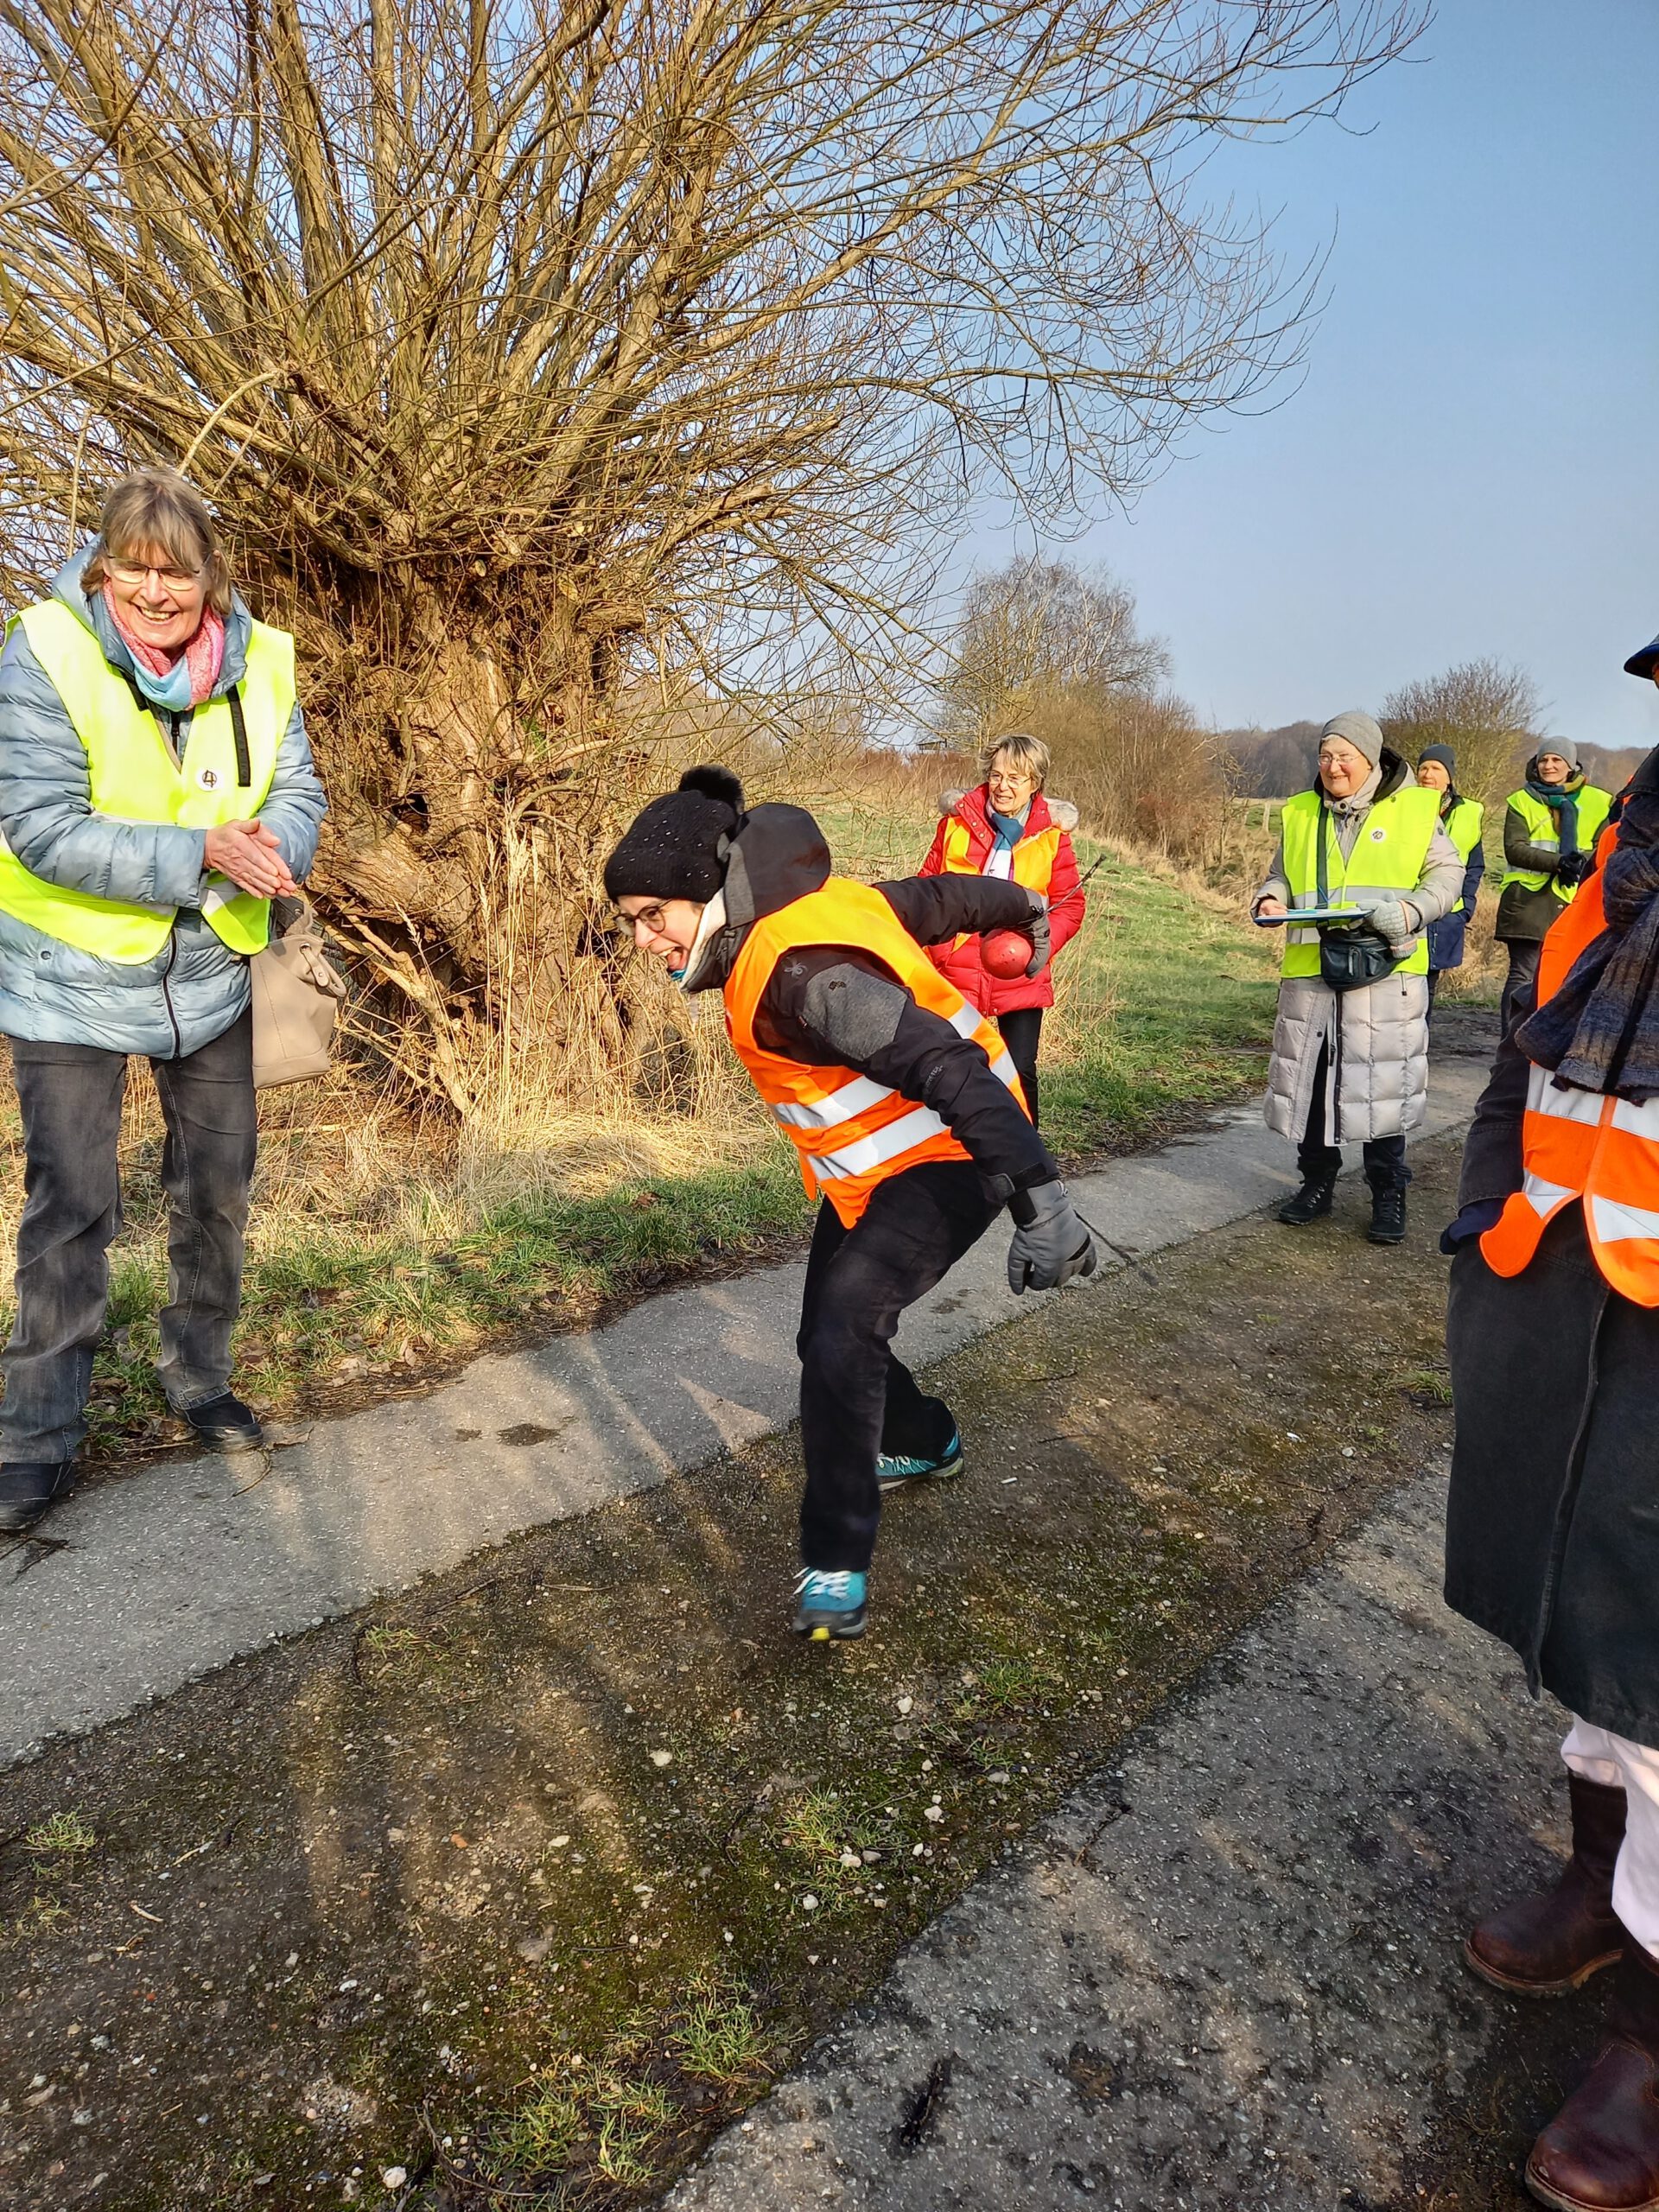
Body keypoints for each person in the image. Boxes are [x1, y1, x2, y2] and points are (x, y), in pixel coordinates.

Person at [604, 766, 1098, 1640]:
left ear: (709, 892)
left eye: (655, 916)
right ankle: (929, 1435)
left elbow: (952, 1068)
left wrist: (1042, 1200)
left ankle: (835, 1559)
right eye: (632, 922)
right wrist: (1015, 907)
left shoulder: (804, 975)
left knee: (843, 1323)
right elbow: (932, 899)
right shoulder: (820, 903)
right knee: (824, 1339)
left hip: (960, 1152)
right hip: (877, 1169)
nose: (645, 939)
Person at [0, 469, 327, 1536]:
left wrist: (278, 847)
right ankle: (38, 1433)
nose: (155, 588)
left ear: (208, 578)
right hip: (65, 976)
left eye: (176, 569)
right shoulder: (44, 650)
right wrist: (197, 853)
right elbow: (39, 824)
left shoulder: (264, 660)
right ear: (104, 569)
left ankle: (198, 1374)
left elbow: (299, 789)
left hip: (212, 973)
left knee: (218, 1187)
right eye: (134, 567)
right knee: (71, 1210)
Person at [1442, 625, 1659, 2212]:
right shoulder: (1626, 861)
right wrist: (1476, 1233)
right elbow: (1526, 1067)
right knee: (1590, 1629)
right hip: (1568, 1298)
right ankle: (1601, 1886)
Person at [1251, 710, 1463, 1244]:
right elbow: (1282, 871)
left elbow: (1448, 875)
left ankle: (1388, 1195)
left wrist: (1412, 912)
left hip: (1386, 971)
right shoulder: (1301, 812)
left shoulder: (1416, 808)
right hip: (1313, 971)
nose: (1333, 766)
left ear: (1370, 758)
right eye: (1325, 755)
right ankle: (1316, 1186)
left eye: (1344, 756)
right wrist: (1271, 897)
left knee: (1379, 1087)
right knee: (1315, 1084)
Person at [916, 732, 1084, 1128]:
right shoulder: (954, 825)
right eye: (996, 775)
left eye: (1016, 778)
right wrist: (925, 952)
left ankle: (1029, 1170)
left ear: (1035, 783)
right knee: (949, 1070)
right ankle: (952, 1165)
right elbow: (925, 889)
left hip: (1021, 968)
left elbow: (1070, 904)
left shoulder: (1052, 838)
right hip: (955, 967)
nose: (1003, 787)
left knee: (1020, 1070)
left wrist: (1041, 944)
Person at [1495, 745, 1612, 1036]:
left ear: (1571, 765)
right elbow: (1514, 849)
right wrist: (1560, 862)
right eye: (1543, 760)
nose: (1549, 765)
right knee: (1523, 976)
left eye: (1556, 759)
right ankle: (1512, 1045)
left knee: (1568, 976)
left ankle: (1547, 1043)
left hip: (1576, 902)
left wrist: (1579, 863)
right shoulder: (1521, 800)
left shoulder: (1600, 801)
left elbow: (1608, 847)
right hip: (1526, 903)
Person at [1414, 744, 1485, 1011]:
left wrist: (1466, 906)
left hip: (1446, 915)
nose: (1427, 774)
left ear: (1449, 778)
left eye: (1435, 768)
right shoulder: (1400, 809)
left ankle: (1421, 1049)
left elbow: (1475, 865)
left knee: (1428, 989)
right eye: (1423, 767)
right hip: (1407, 910)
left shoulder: (1469, 813)